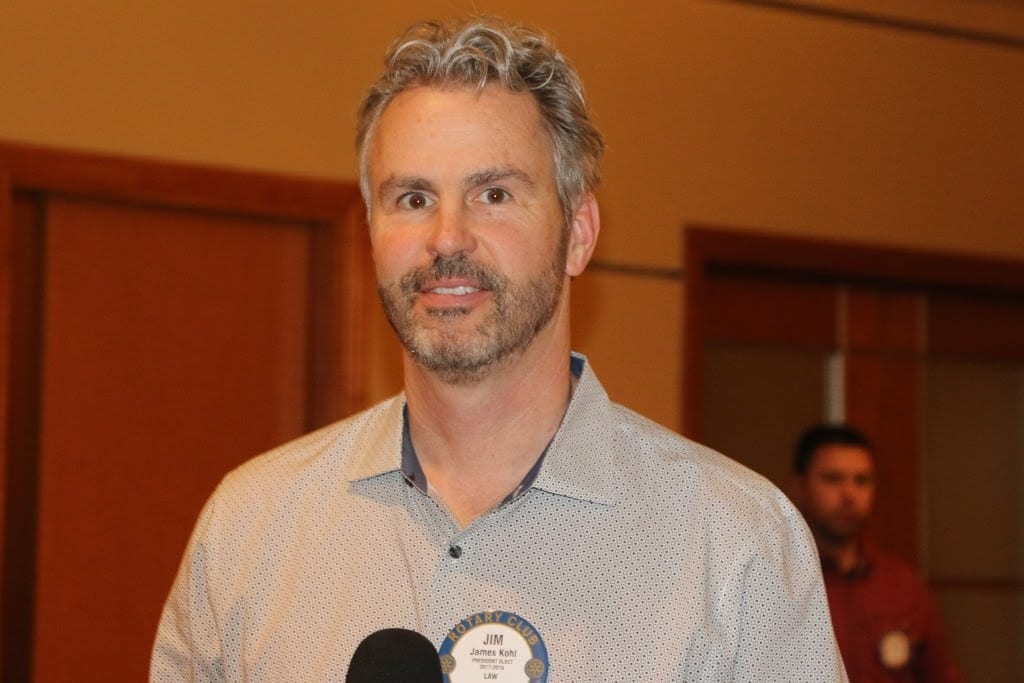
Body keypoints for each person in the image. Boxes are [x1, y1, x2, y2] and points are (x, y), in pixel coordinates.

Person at [151, 17, 847, 681]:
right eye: (413, 198)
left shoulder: (734, 545)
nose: (447, 237)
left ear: (578, 234)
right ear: (371, 233)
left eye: (493, 193)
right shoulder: (250, 528)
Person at [791, 423, 961, 682]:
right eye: (833, 479)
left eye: (862, 480)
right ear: (799, 485)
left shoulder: (903, 585)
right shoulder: (782, 578)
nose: (849, 494)